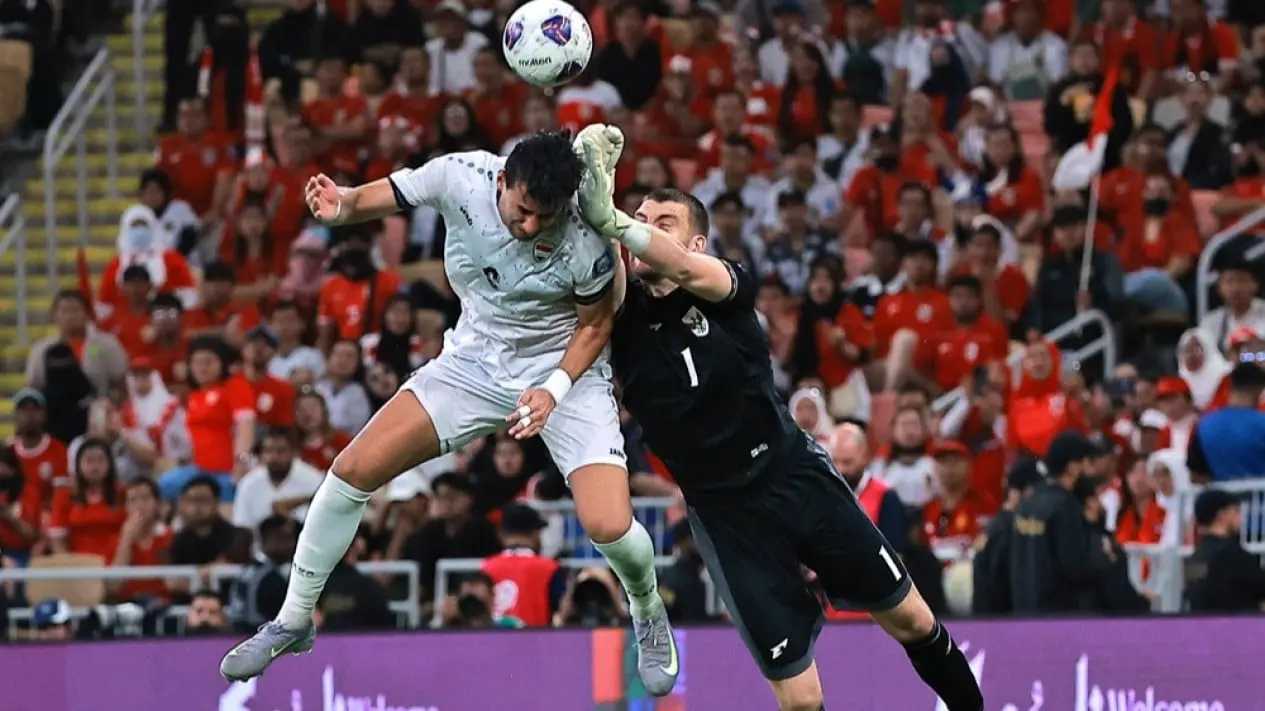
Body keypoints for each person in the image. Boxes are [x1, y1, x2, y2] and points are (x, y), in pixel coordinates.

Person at [220, 131, 675, 696]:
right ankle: (293, 619)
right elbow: (375, 197)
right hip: (473, 363)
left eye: (545, 218)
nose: (530, 225)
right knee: (351, 471)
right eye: (523, 210)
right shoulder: (458, 176)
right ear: (503, 181)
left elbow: (596, 325)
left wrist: (553, 390)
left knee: (607, 524)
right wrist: (342, 204)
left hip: (563, 372)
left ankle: (647, 608)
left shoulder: (586, 236)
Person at [571, 125, 984, 711]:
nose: (643, 230)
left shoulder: (724, 284)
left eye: (662, 223)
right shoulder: (618, 314)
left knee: (913, 618)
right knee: (799, 699)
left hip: (791, 473)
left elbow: (683, 270)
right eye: (639, 217)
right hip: (724, 513)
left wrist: (615, 219)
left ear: (697, 244)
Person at [1186, 489, 1265, 612]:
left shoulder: (1194, 559)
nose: (1241, 520)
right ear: (1222, 515)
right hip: (1241, 627)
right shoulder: (1233, 555)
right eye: (1236, 512)